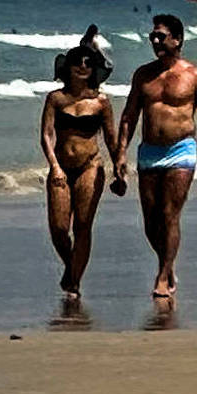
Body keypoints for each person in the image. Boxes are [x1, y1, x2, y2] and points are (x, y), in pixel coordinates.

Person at [117, 14, 197, 299]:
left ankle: (164, 273)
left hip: (181, 150)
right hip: (149, 152)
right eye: (152, 37)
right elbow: (129, 116)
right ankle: (167, 262)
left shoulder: (195, 76)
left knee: (169, 214)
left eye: (161, 36)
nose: (155, 41)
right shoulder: (143, 75)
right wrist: (120, 153)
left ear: (177, 40)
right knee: (151, 221)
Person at [40, 41, 124, 297]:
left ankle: (74, 282)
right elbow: (46, 135)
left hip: (91, 166)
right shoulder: (55, 98)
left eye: (88, 62)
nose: (83, 66)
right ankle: (71, 267)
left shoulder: (101, 102)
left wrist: (119, 167)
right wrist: (54, 166)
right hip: (62, 167)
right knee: (58, 228)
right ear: (68, 66)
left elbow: (111, 138)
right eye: (78, 62)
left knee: (83, 226)